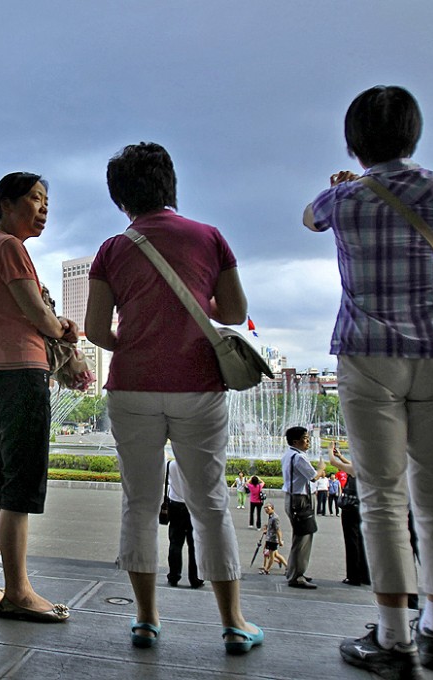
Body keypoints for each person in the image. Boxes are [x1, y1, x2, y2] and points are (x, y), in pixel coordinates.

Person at [304, 86, 433, 676]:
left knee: (381, 498)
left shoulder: (340, 199)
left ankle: (394, 638)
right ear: (414, 134)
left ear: (353, 143)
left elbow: (308, 217)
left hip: (368, 351)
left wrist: (344, 182)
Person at [86, 143, 261, 652]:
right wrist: (193, 302)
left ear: (121, 198)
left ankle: (145, 620)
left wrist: (137, 342)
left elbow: (97, 329)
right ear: (171, 185)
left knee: (138, 504)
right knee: (210, 502)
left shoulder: (112, 249)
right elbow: (233, 311)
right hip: (199, 388)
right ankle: (233, 623)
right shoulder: (209, 238)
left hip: (132, 389)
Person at [0, 171, 78, 624]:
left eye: (46, 200)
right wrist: (63, 329)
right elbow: (36, 310)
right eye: (35, 198)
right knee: (20, 491)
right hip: (19, 375)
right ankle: (19, 591)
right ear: (7, 205)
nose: (44, 207)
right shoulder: (9, 247)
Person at [282, 426, 324, 589]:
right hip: (300, 500)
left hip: (293, 498)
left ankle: (294, 571)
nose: (308, 442)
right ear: (295, 441)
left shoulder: (289, 455)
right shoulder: (299, 458)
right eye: (305, 439)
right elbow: (313, 477)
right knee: (303, 538)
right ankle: (296, 576)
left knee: (300, 537)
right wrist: (321, 468)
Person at [329, 443, 370, 587]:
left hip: (351, 509)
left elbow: (333, 463)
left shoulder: (356, 468)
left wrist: (329, 451)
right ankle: (366, 575)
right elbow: (350, 465)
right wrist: (340, 455)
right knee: (362, 542)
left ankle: (354, 577)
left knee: (351, 542)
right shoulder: (368, 468)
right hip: (363, 509)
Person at [165, 457, 204, 589]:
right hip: (193, 506)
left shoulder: (171, 465)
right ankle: (195, 578)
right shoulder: (196, 464)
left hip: (175, 506)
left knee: (175, 543)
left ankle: (173, 576)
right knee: (194, 545)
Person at [259, 502, 288, 576]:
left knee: (271, 556)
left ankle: (267, 569)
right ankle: (288, 567)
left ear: (272, 508)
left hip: (273, 540)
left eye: (268, 508)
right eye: (265, 509)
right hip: (270, 538)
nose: (266, 510)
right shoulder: (271, 516)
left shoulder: (275, 518)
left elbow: (278, 530)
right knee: (276, 555)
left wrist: (280, 540)